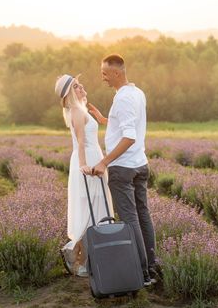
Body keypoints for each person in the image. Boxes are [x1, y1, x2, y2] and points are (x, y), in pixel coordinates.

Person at [89, 54, 157, 286]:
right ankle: (152, 266)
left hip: (124, 169)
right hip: (140, 164)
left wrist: (104, 162)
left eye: (105, 74)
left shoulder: (123, 99)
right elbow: (127, 124)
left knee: (130, 221)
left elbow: (129, 136)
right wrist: (103, 119)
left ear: (117, 73)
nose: (103, 78)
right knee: (143, 215)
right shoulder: (136, 93)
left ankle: (142, 274)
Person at [54, 74, 114, 278]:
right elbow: (80, 142)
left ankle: (88, 260)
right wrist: (83, 166)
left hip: (93, 158)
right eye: (77, 87)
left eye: (80, 84)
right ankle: (75, 253)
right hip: (87, 162)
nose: (82, 87)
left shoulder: (81, 109)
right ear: (70, 93)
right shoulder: (77, 112)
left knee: (94, 210)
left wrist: (99, 117)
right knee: (90, 210)